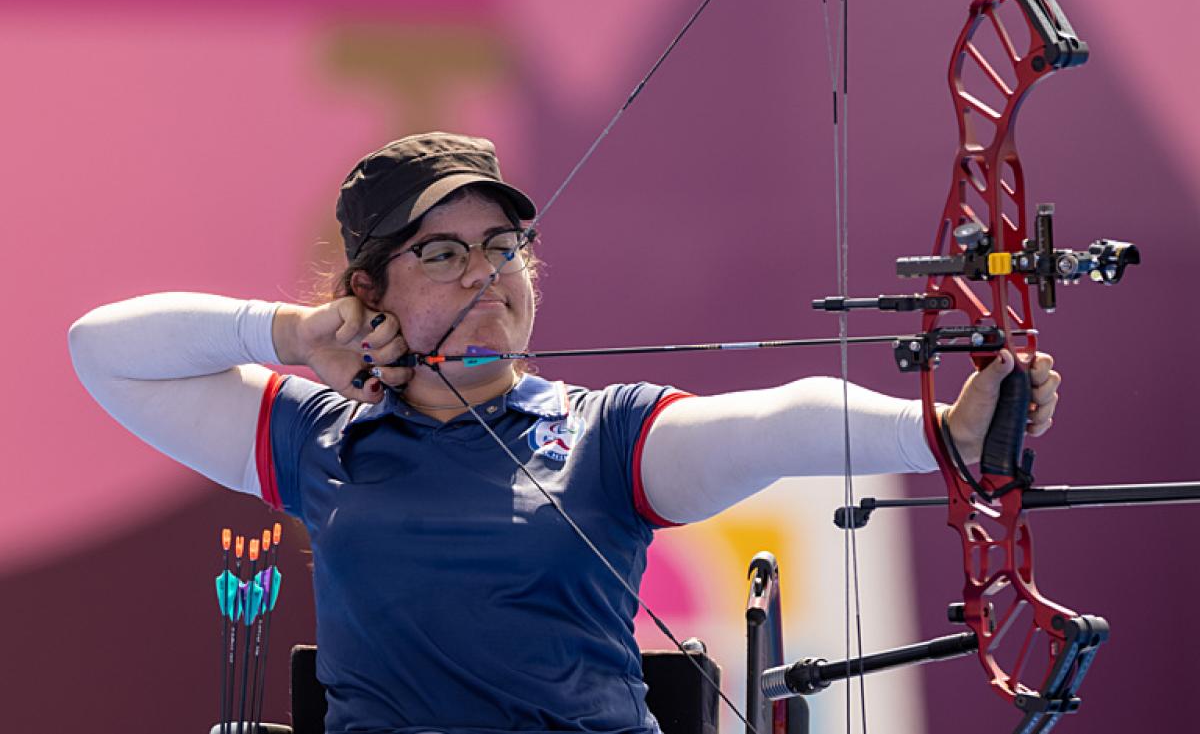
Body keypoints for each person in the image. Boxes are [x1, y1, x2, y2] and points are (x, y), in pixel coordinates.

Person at [69, 132, 1059, 734]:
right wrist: (287, 332)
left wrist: (944, 431)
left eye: (505, 247)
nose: (486, 273)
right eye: (444, 252)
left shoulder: (604, 434)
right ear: (369, 289)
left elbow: (778, 421)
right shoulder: (317, 436)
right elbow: (101, 348)